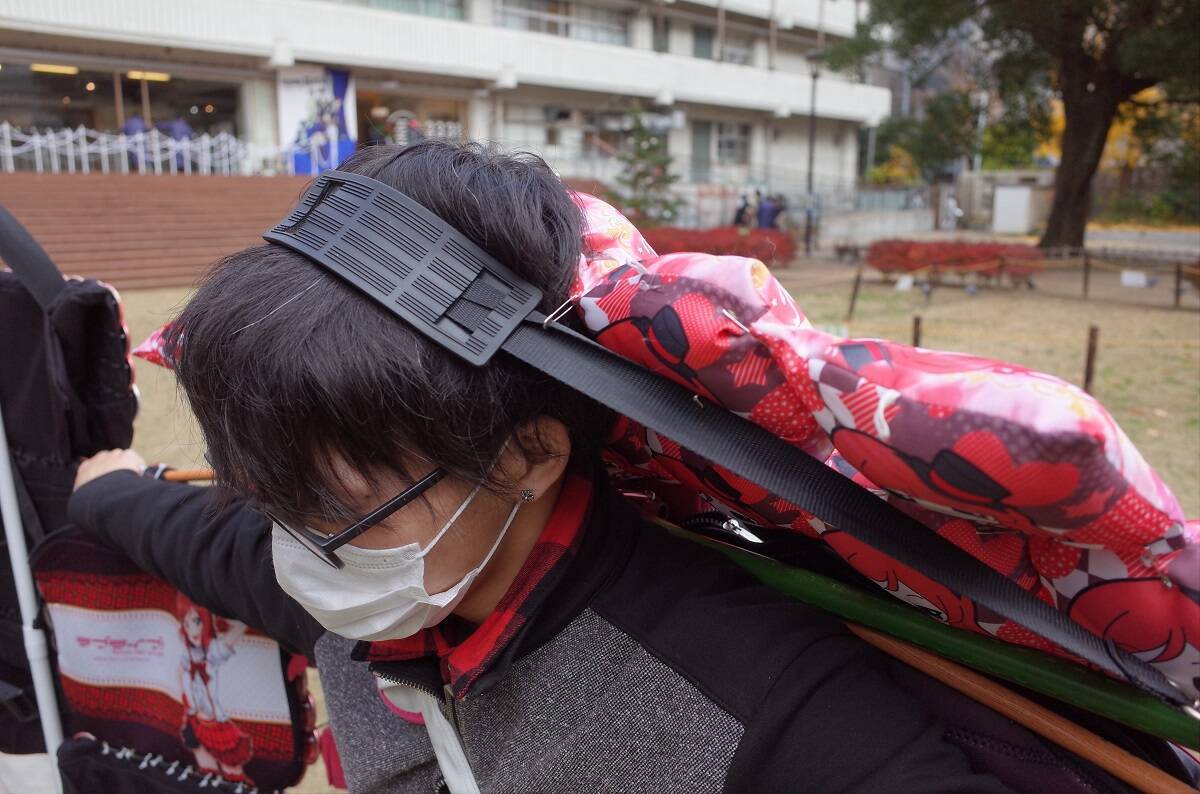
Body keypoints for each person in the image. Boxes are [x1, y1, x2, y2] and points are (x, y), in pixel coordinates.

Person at [70, 141, 1130, 793]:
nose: (296, 550)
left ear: (528, 451)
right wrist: (107, 485)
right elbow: (213, 543)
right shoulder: (355, 584)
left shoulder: (757, 692)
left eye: (332, 512)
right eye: (271, 498)